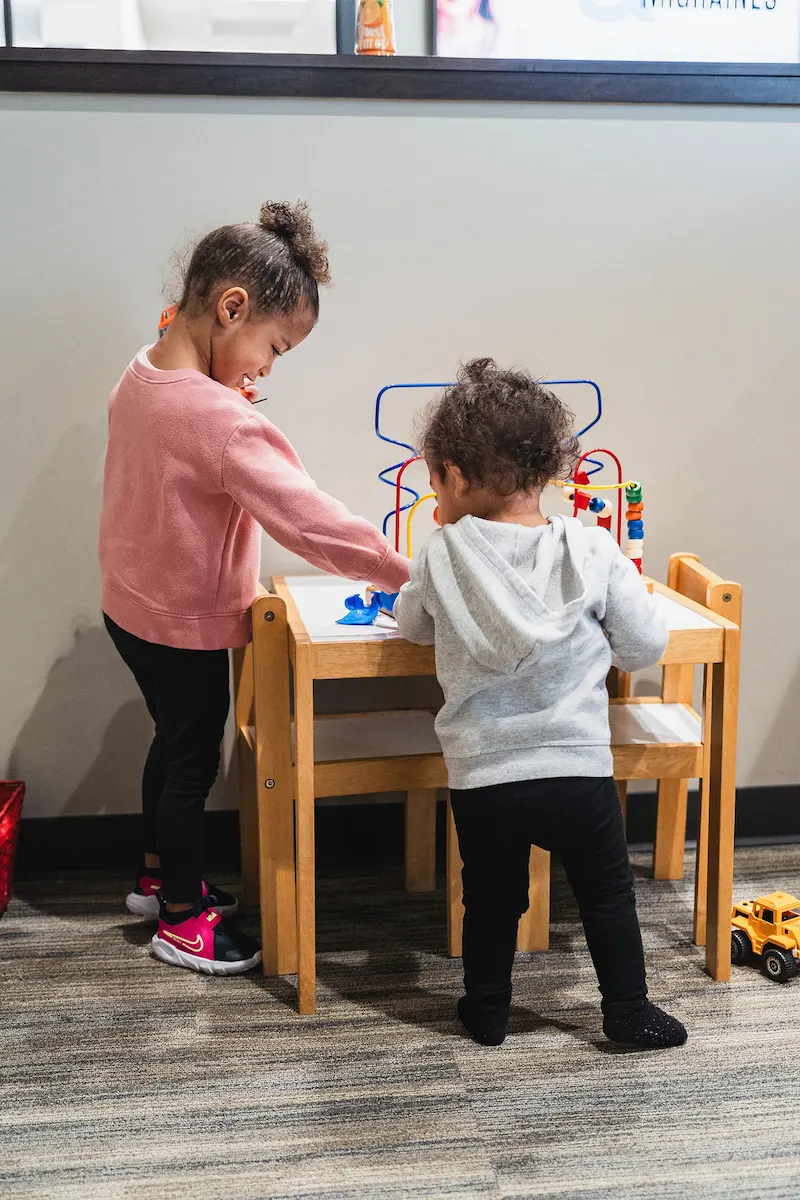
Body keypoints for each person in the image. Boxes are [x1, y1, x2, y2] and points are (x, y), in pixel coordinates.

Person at [100, 201, 409, 976]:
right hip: (183, 621)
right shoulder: (220, 421)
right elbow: (307, 520)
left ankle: (154, 874)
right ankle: (180, 917)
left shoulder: (144, 369)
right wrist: (403, 573)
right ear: (230, 307)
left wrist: (224, 391)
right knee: (193, 764)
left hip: (128, 605)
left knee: (170, 746)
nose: (267, 369)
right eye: (273, 347)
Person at [393, 358, 687, 1050]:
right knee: (606, 896)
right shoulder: (591, 546)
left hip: (485, 775)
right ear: (544, 472)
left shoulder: (441, 555)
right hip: (576, 771)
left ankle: (489, 1012)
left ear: (455, 479)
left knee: (492, 901)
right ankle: (627, 1014)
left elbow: (411, 625)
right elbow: (643, 646)